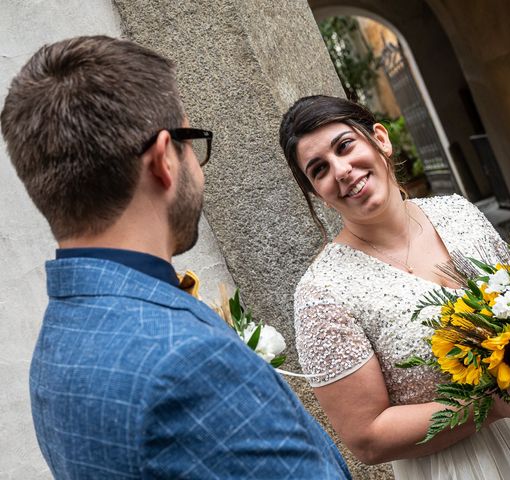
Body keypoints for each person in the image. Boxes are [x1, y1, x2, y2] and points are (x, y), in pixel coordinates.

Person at [0, 37, 350, 479]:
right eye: (190, 141)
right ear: (164, 158)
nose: (199, 170)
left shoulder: (56, 344)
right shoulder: (190, 360)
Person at [278, 94, 510, 479]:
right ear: (318, 194)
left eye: (345, 146)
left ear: (380, 139)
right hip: (468, 468)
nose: (342, 170)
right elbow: (367, 437)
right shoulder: (323, 292)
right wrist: (494, 407)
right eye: (319, 169)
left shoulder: (457, 212)